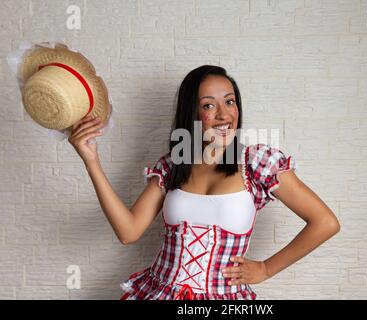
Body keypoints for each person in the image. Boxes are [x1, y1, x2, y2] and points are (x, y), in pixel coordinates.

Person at [69, 65, 340, 300]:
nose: (224, 114)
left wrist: (266, 268)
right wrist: (91, 160)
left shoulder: (257, 163)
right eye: (209, 105)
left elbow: (325, 222)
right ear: (193, 113)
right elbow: (128, 232)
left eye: (230, 102)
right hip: (160, 291)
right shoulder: (174, 164)